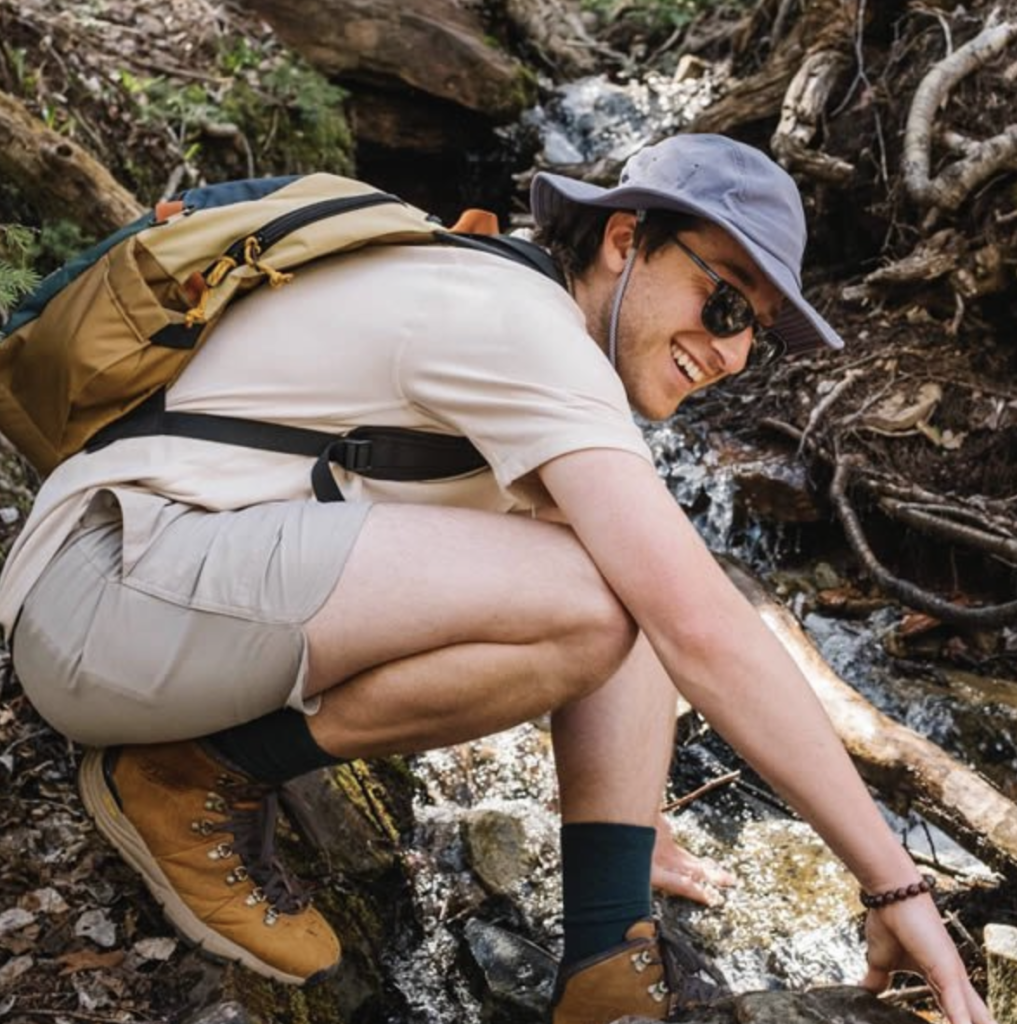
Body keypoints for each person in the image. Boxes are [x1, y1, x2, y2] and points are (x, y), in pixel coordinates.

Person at [0, 134, 993, 1024]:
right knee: (614, 594)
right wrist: (896, 886)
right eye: (723, 300)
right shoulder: (517, 323)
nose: (732, 351)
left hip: (168, 600)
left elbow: (643, 602)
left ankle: (607, 963)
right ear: (624, 240)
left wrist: (627, 817)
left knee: (625, 569)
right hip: (102, 598)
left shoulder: (524, 325)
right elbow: (696, 625)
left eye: (754, 332)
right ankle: (188, 773)